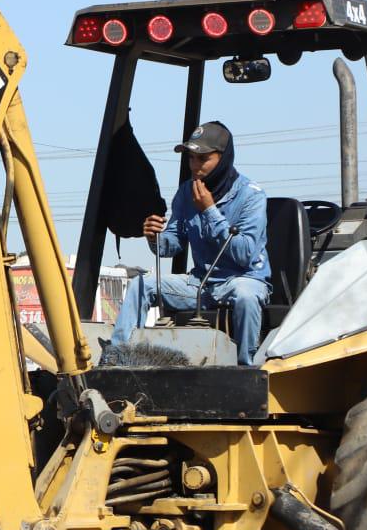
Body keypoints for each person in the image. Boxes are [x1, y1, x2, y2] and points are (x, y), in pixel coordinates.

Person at [107, 121, 271, 364]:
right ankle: (118, 359)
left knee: (246, 296)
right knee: (141, 286)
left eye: (202, 159)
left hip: (243, 279)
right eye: (191, 158)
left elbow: (244, 254)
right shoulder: (186, 192)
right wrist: (155, 237)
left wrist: (209, 211)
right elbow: (173, 245)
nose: (195, 166)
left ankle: (247, 368)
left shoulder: (251, 196)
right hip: (201, 284)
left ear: (223, 158)